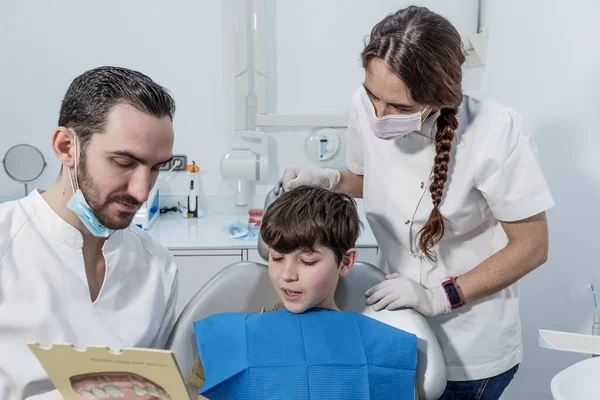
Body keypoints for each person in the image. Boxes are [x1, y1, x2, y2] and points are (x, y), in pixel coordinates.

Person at [275, 6, 554, 399]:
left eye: (401, 109)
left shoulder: (496, 131)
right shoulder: (364, 105)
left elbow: (531, 247)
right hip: (398, 320)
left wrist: (440, 296)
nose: (379, 116)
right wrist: (332, 180)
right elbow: (373, 179)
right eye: (373, 97)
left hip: (472, 344)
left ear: (440, 97)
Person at [0, 66, 179, 400]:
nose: (142, 192)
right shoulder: (5, 243)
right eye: (124, 162)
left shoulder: (158, 268)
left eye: (156, 168)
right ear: (67, 147)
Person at [189, 186, 419, 400]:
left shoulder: (385, 352)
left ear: (345, 262)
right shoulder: (228, 341)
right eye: (277, 258)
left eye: (307, 261)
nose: (287, 274)